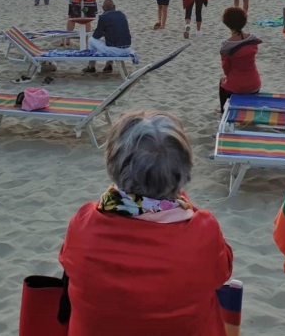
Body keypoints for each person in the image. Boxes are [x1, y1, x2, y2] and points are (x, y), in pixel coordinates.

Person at [58, 111, 233, 336]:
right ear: (184, 170)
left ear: (114, 164)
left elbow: (68, 261)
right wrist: (183, 204)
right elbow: (222, 271)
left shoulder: (84, 224)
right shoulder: (203, 230)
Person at [218, 7, 261, 113]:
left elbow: (226, 69)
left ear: (227, 23)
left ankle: (223, 110)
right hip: (254, 85)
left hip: (236, 87)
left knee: (222, 81)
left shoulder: (226, 45)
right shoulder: (252, 38)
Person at [84, 0, 132, 74]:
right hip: (127, 48)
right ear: (114, 6)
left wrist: (103, 32)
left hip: (115, 50)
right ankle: (109, 65)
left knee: (91, 40)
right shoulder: (122, 15)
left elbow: (96, 36)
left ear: (103, 8)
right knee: (109, 41)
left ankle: (91, 66)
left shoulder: (103, 17)